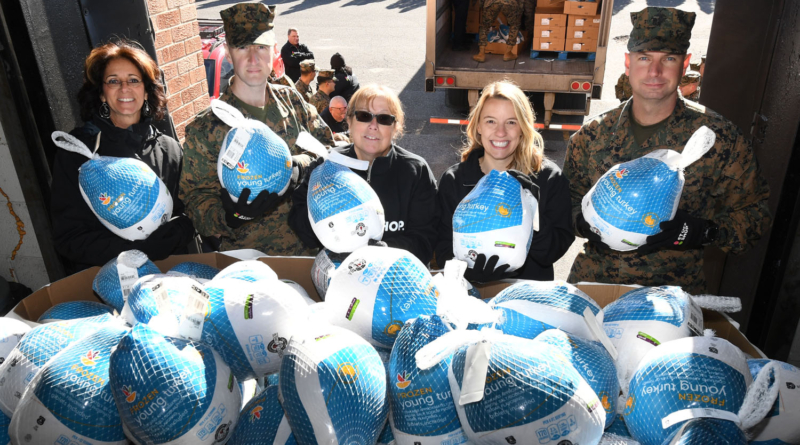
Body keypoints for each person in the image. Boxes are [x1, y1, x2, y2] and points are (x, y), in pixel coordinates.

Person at [563, 7, 771, 294]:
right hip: (594, 285)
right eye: (644, 58)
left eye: (668, 59)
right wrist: (583, 222)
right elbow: (567, 202)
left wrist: (703, 231)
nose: (654, 71)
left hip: (671, 295)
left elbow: (755, 217)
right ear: (627, 62)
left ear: (684, 64)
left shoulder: (717, 139)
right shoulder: (592, 135)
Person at [180, 3, 335, 255]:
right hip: (248, 264)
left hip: (308, 252)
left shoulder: (292, 101)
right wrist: (231, 216)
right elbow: (196, 202)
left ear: (274, 52)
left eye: (261, 47)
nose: (253, 58)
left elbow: (328, 150)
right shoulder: (206, 127)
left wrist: (300, 166)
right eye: (242, 47)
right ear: (229, 54)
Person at [50, 40, 195, 273]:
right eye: (113, 81)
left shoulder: (168, 149)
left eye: (134, 80)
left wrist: (176, 234)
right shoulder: (78, 153)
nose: (124, 88)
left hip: (169, 276)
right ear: (102, 94)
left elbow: (188, 212)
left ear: (146, 91)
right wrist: (137, 250)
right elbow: (69, 237)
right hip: (110, 283)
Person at [435, 80, 574, 281]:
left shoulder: (547, 178)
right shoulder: (455, 180)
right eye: (491, 121)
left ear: (523, 128)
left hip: (528, 298)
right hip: (470, 300)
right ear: (478, 126)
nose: (501, 132)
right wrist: (467, 273)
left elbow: (552, 252)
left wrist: (532, 217)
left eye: (511, 122)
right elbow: (442, 248)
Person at [289, 85, 439, 265]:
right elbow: (304, 231)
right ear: (349, 121)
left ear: (395, 127)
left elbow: (425, 240)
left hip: (396, 280)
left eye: (384, 119)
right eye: (364, 116)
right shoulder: (326, 166)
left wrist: (383, 253)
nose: (373, 126)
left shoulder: (415, 170)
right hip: (338, 279)